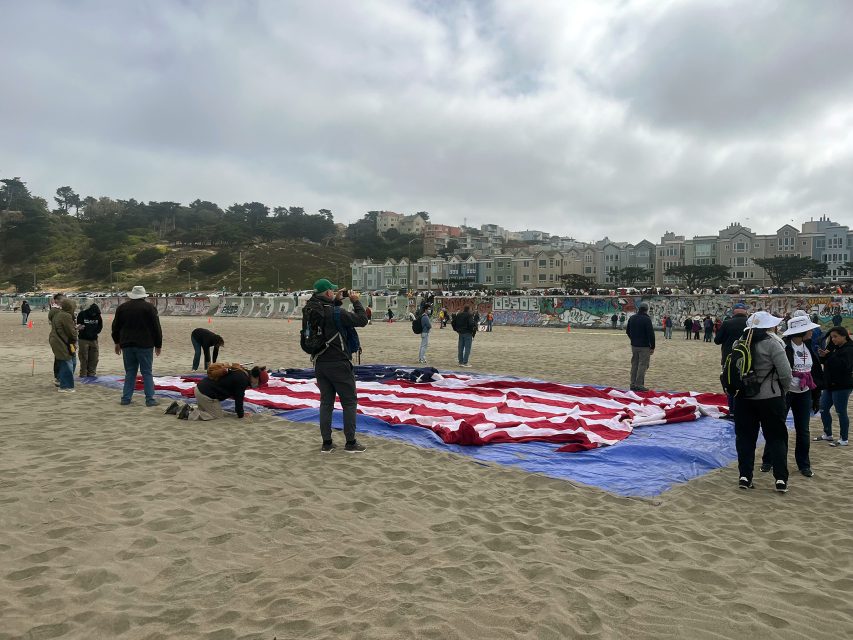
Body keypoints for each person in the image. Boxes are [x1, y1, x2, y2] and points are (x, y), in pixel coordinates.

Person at [305, 278, 368, 453]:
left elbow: (327, 314)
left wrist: (337, 299)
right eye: (332, 291)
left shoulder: (311, 310)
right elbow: (362, 319)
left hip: (319, 362)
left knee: (326, 403)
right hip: (339, 362)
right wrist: (355, 301)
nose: (334, 292)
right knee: (349, 402)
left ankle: (326, 443)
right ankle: (350, 442)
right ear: (327, 294)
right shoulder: (337, 312)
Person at [733, 312, 793, 492]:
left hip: (743, 397)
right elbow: (785, 373)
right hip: (770, 397)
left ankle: (745, 476)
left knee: (745, 438)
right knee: (776, 438)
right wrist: (783, 390)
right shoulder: (773, 344)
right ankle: (780, 479)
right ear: (768, 326)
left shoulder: (739, 343)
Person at [760, 314, 823, 477]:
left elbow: (815, 373)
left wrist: (816, 397)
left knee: (803, 430)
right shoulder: (784, 348)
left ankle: (804, 464)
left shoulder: (809, 347)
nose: (811, 331)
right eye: (809, 329)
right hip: (785, 393)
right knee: (777, 428)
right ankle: (768, 460)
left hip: (804, 393)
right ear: (800, 332)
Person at [111, 285, 163, 407]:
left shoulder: (122, 308)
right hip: (145, 344)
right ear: (143, 296)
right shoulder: (149, 308)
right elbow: (156, 328)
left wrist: (117, 342)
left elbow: (115, 327)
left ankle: (126, 398)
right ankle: (150, 399)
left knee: (130, 372)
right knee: (147, 372)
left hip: (127, 343)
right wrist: (158, 344)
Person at [167, 364, 268, 421]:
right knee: (216, 416)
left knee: (204, 411)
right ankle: (187, 413)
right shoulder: (242, 380)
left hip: (200, 389)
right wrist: (241, 415)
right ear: (256, 378)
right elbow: (239, 400)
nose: (258, 386)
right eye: (259, 383)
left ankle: (177, 408)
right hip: (206, 395)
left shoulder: (241, 372)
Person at [816, 326, 853, 447]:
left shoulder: (849, 349)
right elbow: (826, 361)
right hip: (829, 384)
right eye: (832, 337)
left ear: (844, 336)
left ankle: (844, 438)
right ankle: (828, 434)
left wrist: (830, 356)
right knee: (823, 408)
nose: (833, 339)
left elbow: (844, 366)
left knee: (840, 411)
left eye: (836, 337)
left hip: (842, 385)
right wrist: (823, 356)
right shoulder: (833, 347)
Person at [715, 302, 750, 419]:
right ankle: (745, 410)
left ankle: (732, 411)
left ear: (733, 312)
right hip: (748, 359)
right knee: (747, 383)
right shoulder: (750, 324)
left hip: (729, 358)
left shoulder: (727, 323)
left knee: (729, 383)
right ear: (745, 311)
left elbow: (717, 340)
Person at [49, 298, 78, 393]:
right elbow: (71, 332)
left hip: (59, 341)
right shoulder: (66, 316)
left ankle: (61, 381)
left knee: (69, 361)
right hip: (62, 342)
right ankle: (65, 386)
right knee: (67, 363)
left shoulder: (59, 314)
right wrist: (75, 336)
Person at [625, 302, 655, 392]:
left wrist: (633, 339)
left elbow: (627, 331)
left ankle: (633, 383)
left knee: (634, 364)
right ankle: (639, 384)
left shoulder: (632, 318)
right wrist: (652, 346)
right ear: (646, 309)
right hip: (644, 346)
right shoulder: (647, 319)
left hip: (634, 345)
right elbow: (651, 334)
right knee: (643, 365)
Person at [76, 298, 103, 377]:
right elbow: (79, 325)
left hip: (89, 339)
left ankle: (88, 373)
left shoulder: (97, 315)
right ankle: (87, 373)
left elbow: (100, 326)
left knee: (90, 358)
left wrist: (93, 332)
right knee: (88, 358)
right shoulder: (83, 314)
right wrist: (90, 332)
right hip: (87, 339)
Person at [48, 293, 68, 386]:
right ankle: (58, 378)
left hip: (60, 337)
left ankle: (59, 377)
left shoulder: (59, 310)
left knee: (60, 357)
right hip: (59, 337)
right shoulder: (56, 311)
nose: (64, 301)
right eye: (62, 300)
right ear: (57, 301)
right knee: (60, 357)